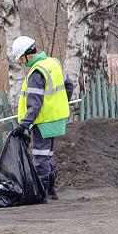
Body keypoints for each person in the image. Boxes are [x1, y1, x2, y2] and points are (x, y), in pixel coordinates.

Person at [9, 36, 73, 200]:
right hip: (56, 119)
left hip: (42, 121)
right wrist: (58, 104)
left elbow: (35, 104)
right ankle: (51, 190)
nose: (23, 62)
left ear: (28, 54)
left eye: (22, 58)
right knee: (47, 154)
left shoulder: (37, 73)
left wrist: (24, 125)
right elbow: (69, 85)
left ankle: (41, 193)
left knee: (40, 157)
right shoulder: (53, 63)